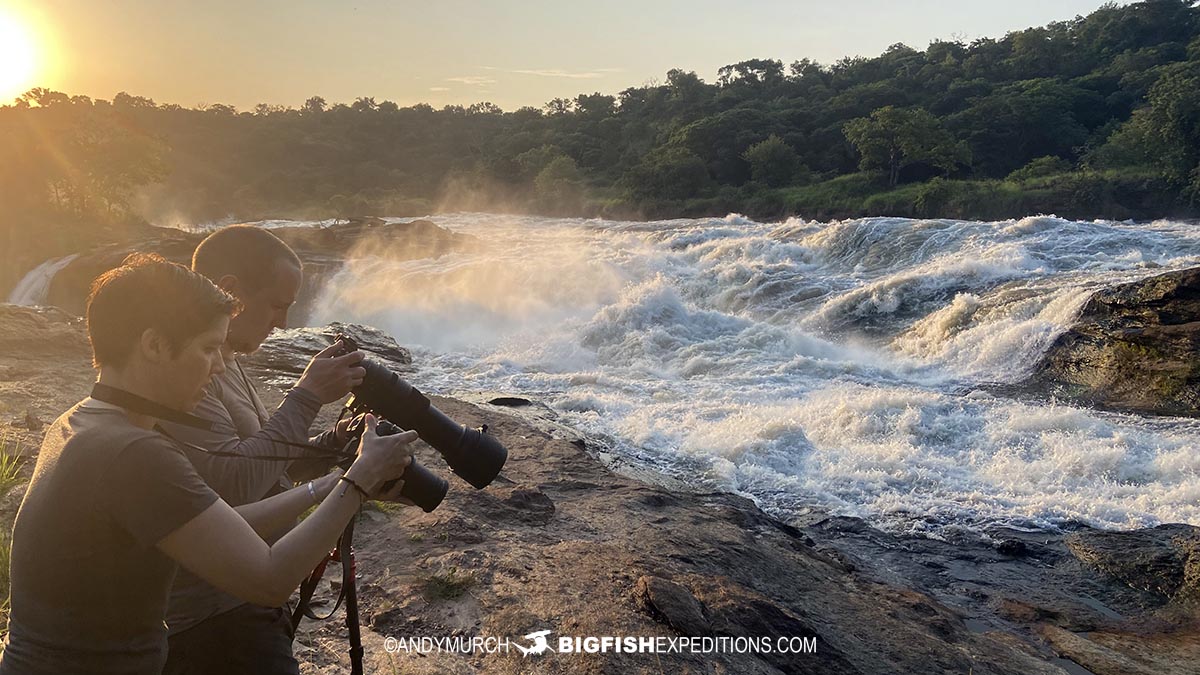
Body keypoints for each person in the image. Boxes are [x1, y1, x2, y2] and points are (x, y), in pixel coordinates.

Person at [0, 254, 416, 675]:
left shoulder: (82, 421)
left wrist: (330, 486)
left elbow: (219, 521)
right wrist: (359, 482)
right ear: (155, 345)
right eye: (208, 348)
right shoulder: (133, 452)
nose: (219, 365)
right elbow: (268, 580)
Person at [161, 225, 367, 675]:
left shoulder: (229, 358)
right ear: (227, 291)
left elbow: (262, 459)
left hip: (244, 594)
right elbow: (231, 485)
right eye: (277, 305)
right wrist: (307, 396)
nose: (284, 323)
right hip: (210, 618)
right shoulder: (185, 377)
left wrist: (333, 445)